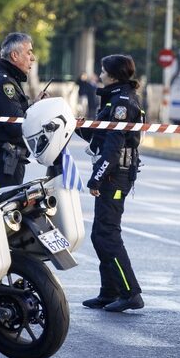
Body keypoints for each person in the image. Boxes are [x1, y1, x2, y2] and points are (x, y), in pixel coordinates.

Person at [78, 54, 145, 313]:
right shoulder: (115, 98)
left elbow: (113, 148)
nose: (99, 75)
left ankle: (130, 292)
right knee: (100, 234)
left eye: (103, 71)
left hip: (115, 174)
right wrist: (70, 123)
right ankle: (109, 292)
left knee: (107, 234)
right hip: (113, 172)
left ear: (114, 76)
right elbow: (99, 135)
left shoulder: (122, 103)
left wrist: (96, 177)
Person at [0, 32, 48, 191]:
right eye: (29, 52)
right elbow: (16, 125)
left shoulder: (3, 76)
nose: (33, 58)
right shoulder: (4, 82)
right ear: (15, 55)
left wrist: (34, 105)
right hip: (4, 159)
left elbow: (11, 112)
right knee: (2, 207)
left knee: (3, 207)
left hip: (4, 156)